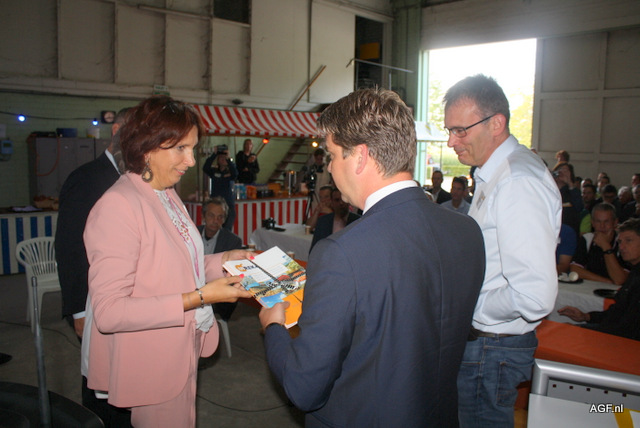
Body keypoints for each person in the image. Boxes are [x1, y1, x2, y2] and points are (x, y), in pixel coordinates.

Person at [258, 88, 485, 427]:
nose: (330, 168)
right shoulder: (466, 231)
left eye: (332, 155)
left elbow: (305, 388)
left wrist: (273, 327)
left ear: (360, 157)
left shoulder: (342, 252)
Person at [83, 96, 252, 428]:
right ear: (147, 148)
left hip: (181, 346)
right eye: (181, 149)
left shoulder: (165, 193)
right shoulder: (118, 205)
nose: (191, 160)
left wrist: (225, 259)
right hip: (152, 359)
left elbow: (178, 266)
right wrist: (200, 297)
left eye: (193, 149)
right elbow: (110, 311)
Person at [443, 74, 561, 428]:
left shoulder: (516, 182)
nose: (451, 141)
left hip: (491, 347)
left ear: (496, 124)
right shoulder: (494, 174)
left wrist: (472, 306)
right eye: (449, 130)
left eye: (460, 130)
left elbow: (534, 294)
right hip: (488, 346)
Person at [55, 107, 133, 427]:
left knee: (124, 381)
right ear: (116, 131)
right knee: (100, 385)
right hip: (93, 303)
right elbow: (69, 247)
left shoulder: (134, 179)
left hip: (126, 302)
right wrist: (78, 310)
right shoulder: (86, 178)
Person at [558, 218, 640, 341]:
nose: (622, 247)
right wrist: (586, 317)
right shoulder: (635, 273)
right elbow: (618, 312)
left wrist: (582, 330)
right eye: (620, 242)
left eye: (628, 241)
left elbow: (627, 329)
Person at [198, 196, 243, 321]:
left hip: (217, 290)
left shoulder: (233, 241)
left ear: (224, 219)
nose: (215, 220)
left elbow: (231, 278)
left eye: (220, 217)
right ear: (203, 216)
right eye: (211, 215)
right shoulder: (191, 234)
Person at [570, 202, 629, 285]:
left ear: (615, 222)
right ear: (592, 223)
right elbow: (575, 269)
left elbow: (619, 280)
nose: (602, 226)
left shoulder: (623, 243)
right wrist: (607, 282)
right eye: (598, 221)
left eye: (606, 222)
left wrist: (606, 247)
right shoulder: (587, 239)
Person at [309, 187, 360, 251]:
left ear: (348, 201)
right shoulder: (323, 221)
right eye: (337, 200)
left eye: (343, 200)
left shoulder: (357, 221)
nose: (341, 203)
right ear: (332, 202)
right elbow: (315, 248)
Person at [203, 145, 238, 230]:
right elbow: (205, 168)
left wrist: (228, 159)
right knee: (214, 228)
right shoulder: (214, 171)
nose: (223, 159)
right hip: (215, 203)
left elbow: (235, 174)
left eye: (224, 157)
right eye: (221, 157)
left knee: (226, 230)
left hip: (228, 205)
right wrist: (214, 154)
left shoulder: (231, 171)